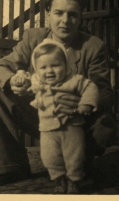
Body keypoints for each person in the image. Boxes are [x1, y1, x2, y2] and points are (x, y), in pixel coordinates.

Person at [0, 0, 116, 187]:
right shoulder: (33, 38)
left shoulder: (93, 47)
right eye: (59, 13)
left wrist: (82, 104)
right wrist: (13, 81)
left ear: (80, 17)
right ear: (48, 14)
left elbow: (105, 93)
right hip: (40, 115)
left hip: (76, 122)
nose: (65, 21)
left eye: (72, 14)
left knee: (105, 123)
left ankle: (77, 168)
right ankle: (11, 167)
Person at [24, 38, 99, 194]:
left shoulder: (74, 80)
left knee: (75, 156)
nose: (49, 71)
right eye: (43, 67)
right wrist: (19, 78)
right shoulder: (38, 84)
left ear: (66, 65)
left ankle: (74, 180)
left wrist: (86, 103)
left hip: (72, 127)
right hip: (47, 129)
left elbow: (90, 87)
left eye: (55, 65)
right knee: (49, 157)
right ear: (36, 70)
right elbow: (24, 81)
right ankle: (58, 179)